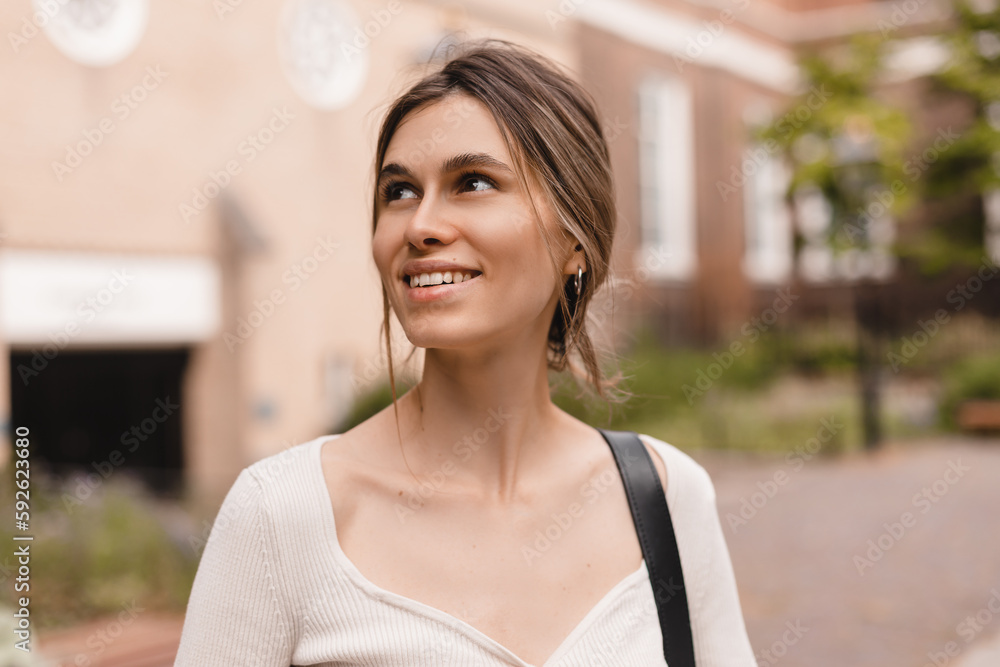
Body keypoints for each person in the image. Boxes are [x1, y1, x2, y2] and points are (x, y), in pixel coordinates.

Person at [174, 38, 756, 666]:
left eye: (472, 182)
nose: (420, 225)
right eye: (398, 192)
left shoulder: (666, 499)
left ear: (575, 239)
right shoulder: (282, 515)